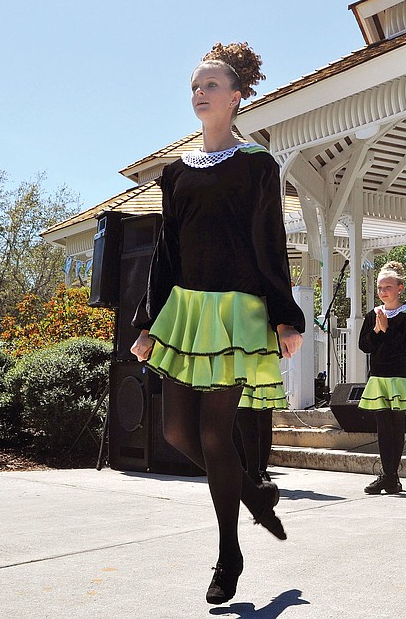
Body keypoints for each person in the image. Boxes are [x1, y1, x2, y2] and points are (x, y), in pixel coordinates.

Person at [130, 42, 305, 604]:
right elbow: (165, 254)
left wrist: (285, 315)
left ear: (235, 97)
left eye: (210, 85)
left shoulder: (257, 164)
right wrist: (147, 323)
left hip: (236, 313)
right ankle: (253, 495)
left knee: (212, 431)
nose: (199, 93)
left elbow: (270, 244)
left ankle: (229, 554)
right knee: (176, 432)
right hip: (185, 312)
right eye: (194, 86)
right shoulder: (175, 173)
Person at [358, 261, 406, 495]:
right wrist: (376, 330)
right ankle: (388, 475)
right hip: (378, 377)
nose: (383, 291)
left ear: (400, 288)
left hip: (398, 378)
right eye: (380, 287)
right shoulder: (371, 315)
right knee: (383, 427)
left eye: (388, 287)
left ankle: (392, 475)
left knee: (397, 426)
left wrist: (387, 330)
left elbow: (405, 346)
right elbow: (364, 345)